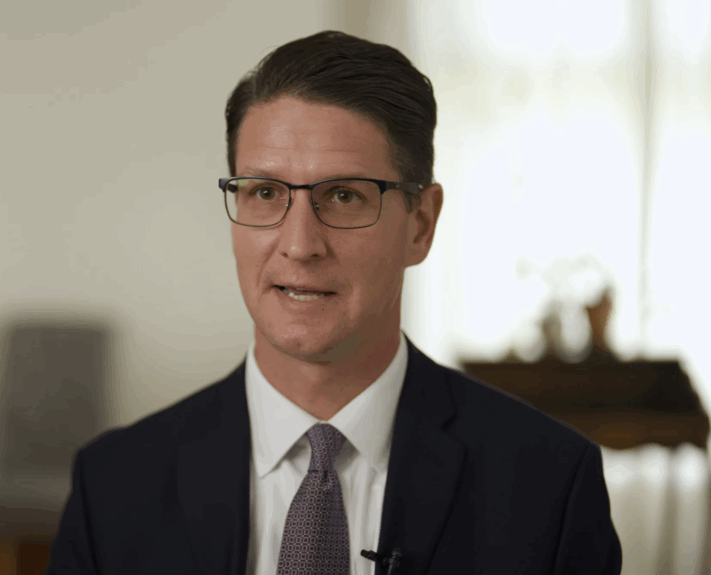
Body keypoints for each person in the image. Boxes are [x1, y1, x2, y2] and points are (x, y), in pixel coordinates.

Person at [45, 31, 621, 574]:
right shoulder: (113, 487)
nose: (299, 245)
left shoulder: (550, 484)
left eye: (344, 196)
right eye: (265, 193)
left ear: (420, 224)